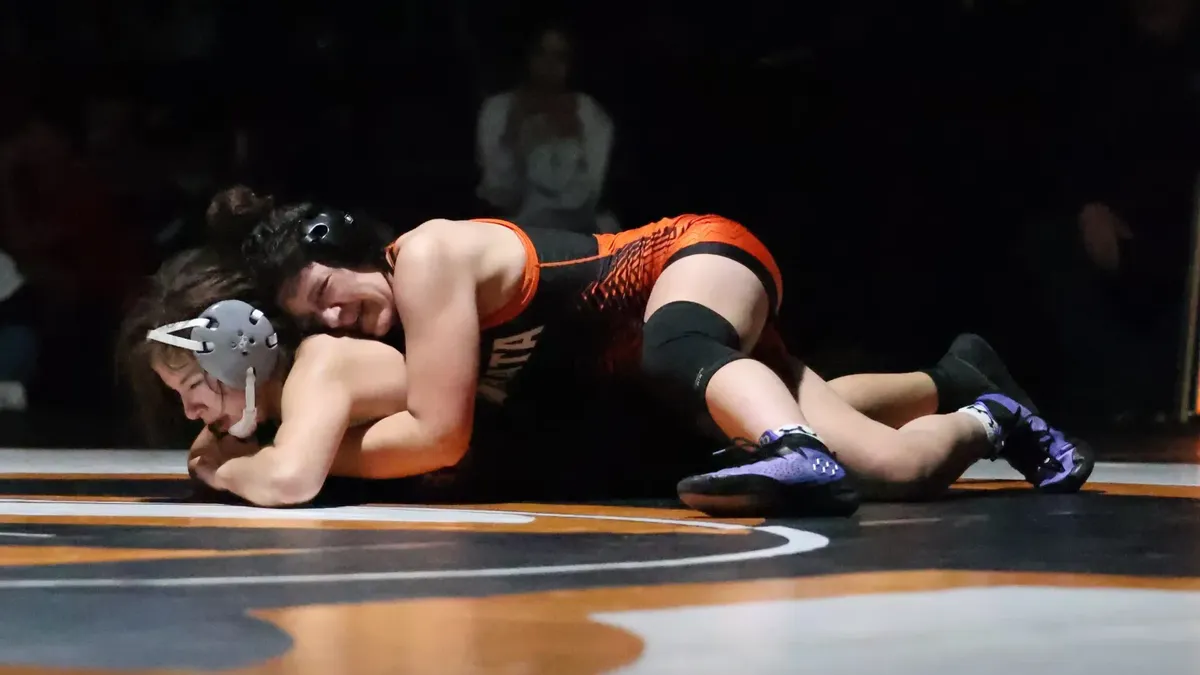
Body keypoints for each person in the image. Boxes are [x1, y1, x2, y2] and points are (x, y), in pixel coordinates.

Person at [202, 186, 1093, 516]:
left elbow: (440, 436)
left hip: (686, 260)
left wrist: (293, 456)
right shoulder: (403, 323)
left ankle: (790, 447)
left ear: (359, 248)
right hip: (675, 361)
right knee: (895, 470)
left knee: (678, 349)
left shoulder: (427, 257)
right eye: (315, 318)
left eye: (330, 291)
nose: (337, 318)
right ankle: (982, 408)